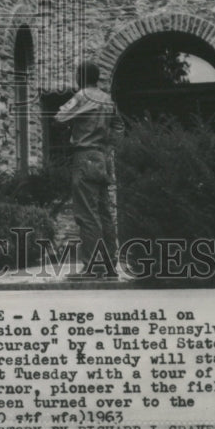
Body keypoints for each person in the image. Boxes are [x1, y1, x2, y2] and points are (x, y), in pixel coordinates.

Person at [55, 60, 123, 275]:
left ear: (81, 77)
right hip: (102, 158)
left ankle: (92, 265)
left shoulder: (82, 96)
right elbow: (119, 126)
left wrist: (76, 115)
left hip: (84, 157)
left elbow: (59, 117)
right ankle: (110, 264)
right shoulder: (108, 99)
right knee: (104, 212)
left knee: (87, 214)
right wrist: (108, 145)